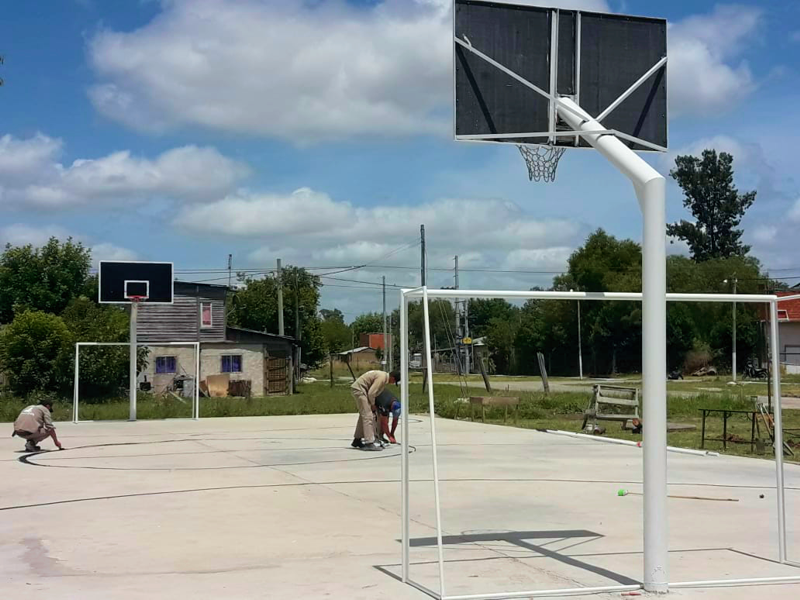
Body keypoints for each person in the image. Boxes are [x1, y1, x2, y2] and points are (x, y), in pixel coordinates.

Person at [351, 370, 400, 451]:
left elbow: (374, 393)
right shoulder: (382, 378)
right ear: (392, 378)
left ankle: (357, 440)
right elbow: (371, 393)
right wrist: (373, 405)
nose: (392, 383)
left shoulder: (383, 377)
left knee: (364, 415)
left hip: (361, 389)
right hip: (360, 390)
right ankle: (369, 442)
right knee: (368, 416)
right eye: (394, 381)